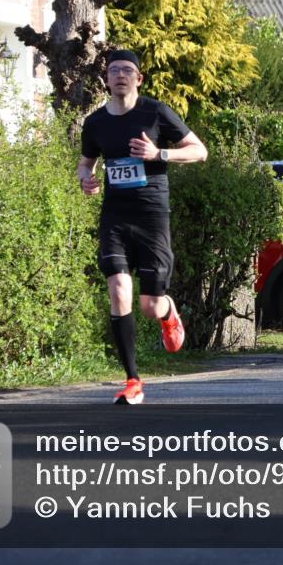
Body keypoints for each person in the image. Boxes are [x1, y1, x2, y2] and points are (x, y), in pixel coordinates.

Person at [78, 49, 209, 404]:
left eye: (128, 70)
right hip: (115, 217)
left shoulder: (155, 112)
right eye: (114, 70)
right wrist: (86, 179)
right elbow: (85, 162)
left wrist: (159, 155)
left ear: (139, 79)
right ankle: (133, 381)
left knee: (150, 305)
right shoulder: (95, 123)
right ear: (106, 79)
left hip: (152, 217)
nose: (120, 75)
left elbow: (199, 151)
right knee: (119, 289)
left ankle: (168, 313)